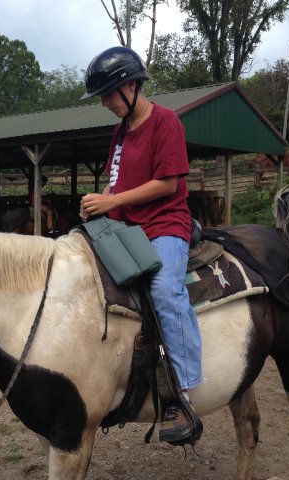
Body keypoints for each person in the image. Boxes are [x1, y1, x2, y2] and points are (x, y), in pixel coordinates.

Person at [79, 46, 203, 443]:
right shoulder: (119, 131)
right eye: (102, 99)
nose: (105, 104)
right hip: (126, 227)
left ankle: (181, 391)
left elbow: (168, 183)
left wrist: (111, 202)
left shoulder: (166, 122)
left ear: (131, 87)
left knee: (165, 290)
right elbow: (116, 181)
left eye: (109, 96)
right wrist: (99, 202)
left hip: (164, 224)